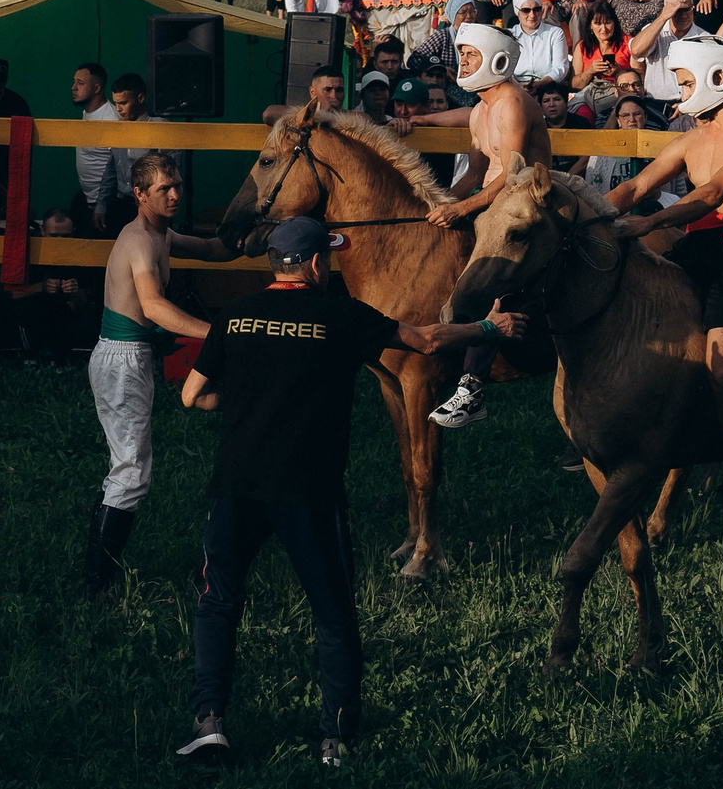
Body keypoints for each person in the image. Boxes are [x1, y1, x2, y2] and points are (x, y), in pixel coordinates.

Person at [173, 216, 524, 768]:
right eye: (328, 259)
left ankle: (209, 722)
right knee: (333, 614)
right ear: (315, 264)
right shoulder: (340, 315)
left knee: (219, 603)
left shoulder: (234, 315)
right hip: (307, 490)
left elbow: (193, 395)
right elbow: (426, 340)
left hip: (236, 485)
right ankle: (335, 737)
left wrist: (245, 402)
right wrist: (489, 328)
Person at [599, 35, 723, 537]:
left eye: (686, 82)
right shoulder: (688, 138)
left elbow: (712, 194)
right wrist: (595, 213)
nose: (679, 93)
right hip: (698, 250)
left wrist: (647, 224)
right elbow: (637, 186)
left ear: (716, 78)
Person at [87, 153, 231, 592]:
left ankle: (98, 576)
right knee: (130, 471)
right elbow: (153, 307)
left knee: (128, 467)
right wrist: (224, 334)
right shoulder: (138, 240)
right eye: (163, 189)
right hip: (120, 358)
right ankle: (96, 584)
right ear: (139, 194)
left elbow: (211, 250)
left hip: (133, 356)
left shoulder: (161, 233)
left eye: (177, 186)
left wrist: (264, 234)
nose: (174, 195)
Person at [417, 16, 554, 429]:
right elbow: (475, 177)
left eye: (471, 54)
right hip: (494, 204)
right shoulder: (481, 110)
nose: (462, 61)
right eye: (461, 54)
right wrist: (440, 204)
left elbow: (511, 176)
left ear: (495, 60)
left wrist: (461, 209)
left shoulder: (512, 102)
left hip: (525, 203)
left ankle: (472, 387)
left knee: (490, 279)